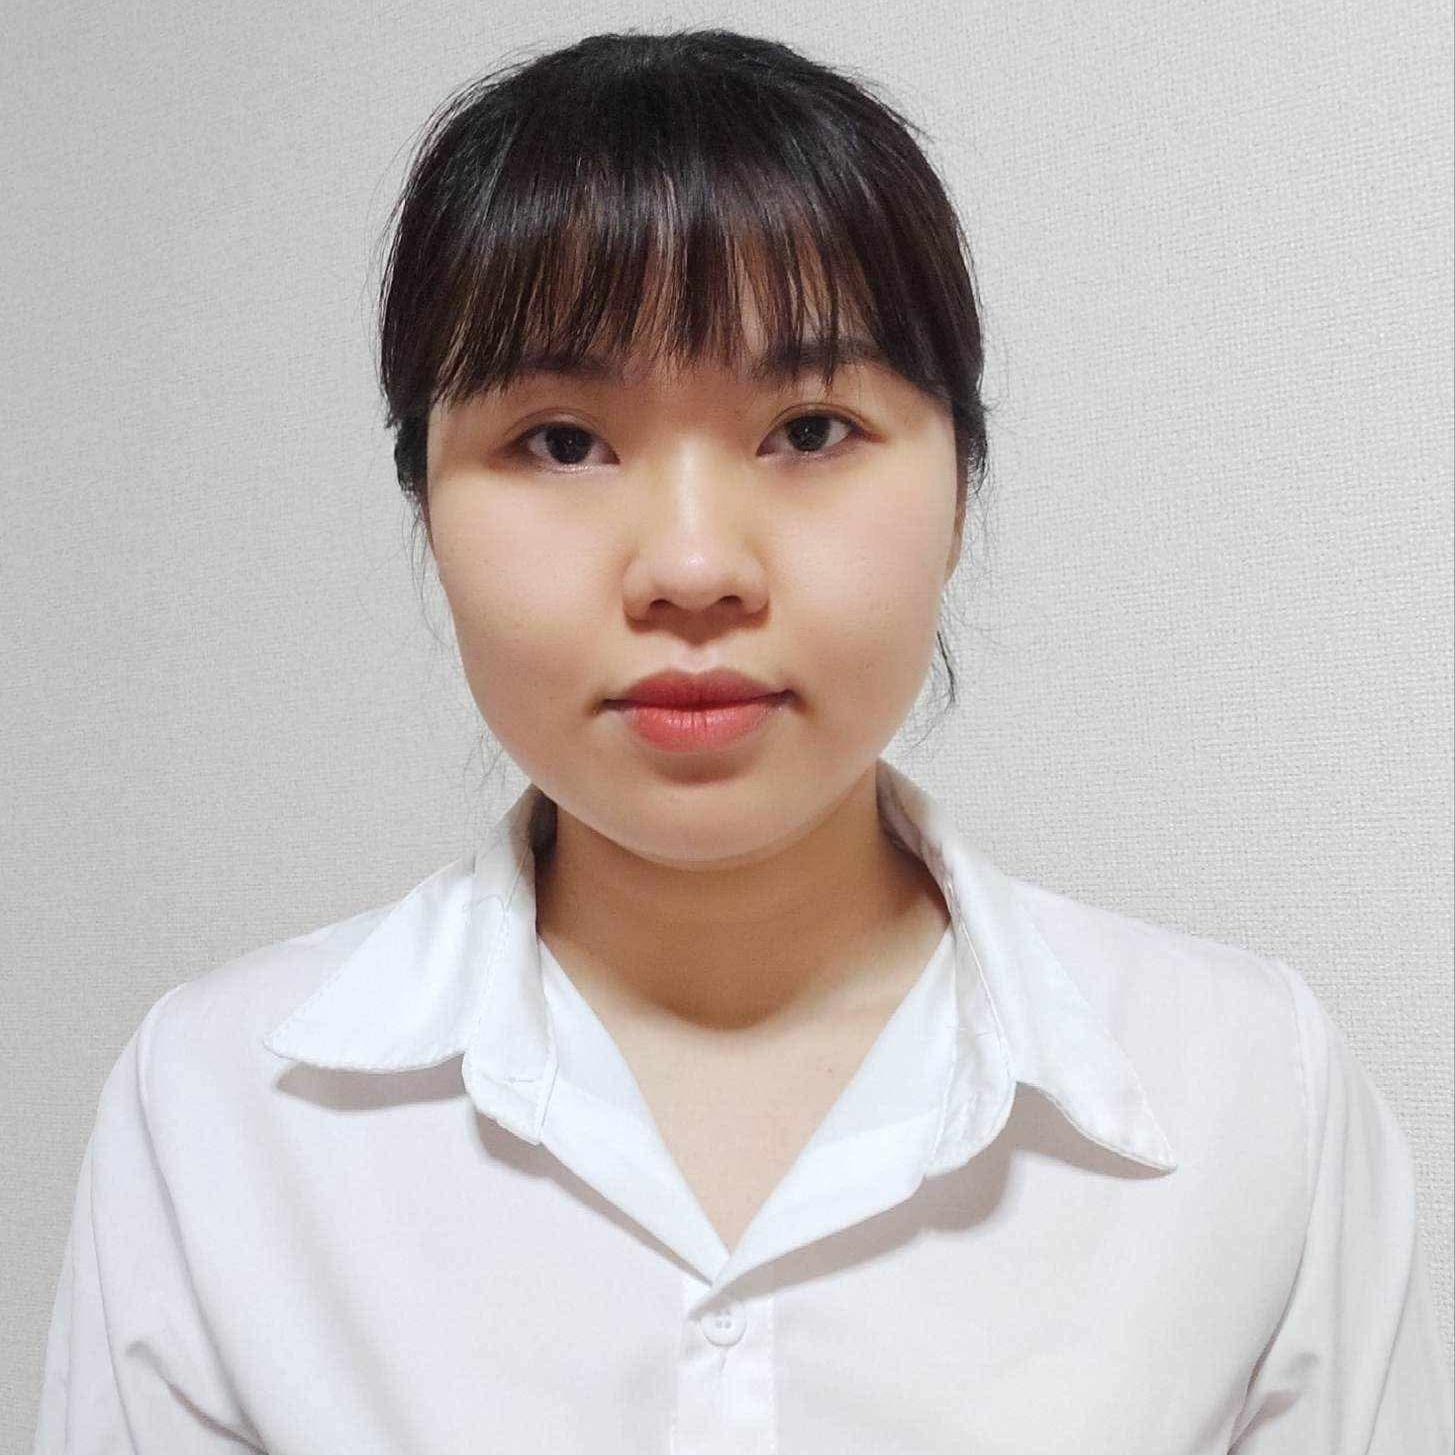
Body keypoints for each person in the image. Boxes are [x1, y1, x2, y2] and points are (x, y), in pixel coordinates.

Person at [33, 26, 1451, 1454]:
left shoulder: (1246, 1098)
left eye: (811, 429)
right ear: (425, 504)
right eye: (563, 441)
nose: (694, 568)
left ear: (962, 485)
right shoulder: (223, 1112)